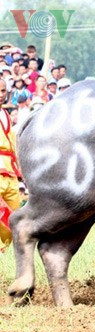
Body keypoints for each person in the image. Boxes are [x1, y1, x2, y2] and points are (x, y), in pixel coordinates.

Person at [0, 79, 22, 251]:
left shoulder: (6, 115)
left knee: (14, 219)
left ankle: (7, 255)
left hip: (10, 172)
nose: (0, 95)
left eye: (2, 91)